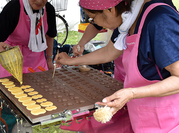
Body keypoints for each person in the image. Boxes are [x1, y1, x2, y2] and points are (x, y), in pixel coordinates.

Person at [56, 0, 179, 132]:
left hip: (167, 119)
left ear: (110, 10)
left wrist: (132, 93)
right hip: (143, 115)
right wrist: (70, 61)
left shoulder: (159, 21)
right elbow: (109, 51)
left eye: (93, 18)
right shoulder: (127, 20)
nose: (96, 24)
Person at [0, 0, 57, 78]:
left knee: (40, 86)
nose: (39, 1)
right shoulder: (14, 8)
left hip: (37, 60)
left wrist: (49, 60)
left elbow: (49, 36)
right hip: (12, 60)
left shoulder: (49, 10)